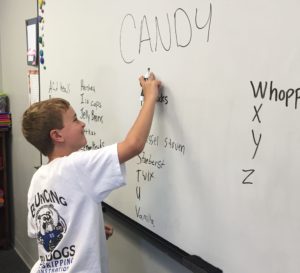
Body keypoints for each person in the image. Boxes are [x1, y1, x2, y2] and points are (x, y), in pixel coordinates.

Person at [22, 72, 161, 273]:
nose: (82, 123)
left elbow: (41, 234)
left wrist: (81, 231)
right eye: (75, 120)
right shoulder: (76, 166)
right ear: (57, 135)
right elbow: (134, 145)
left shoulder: (38, 178)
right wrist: (150, 97)